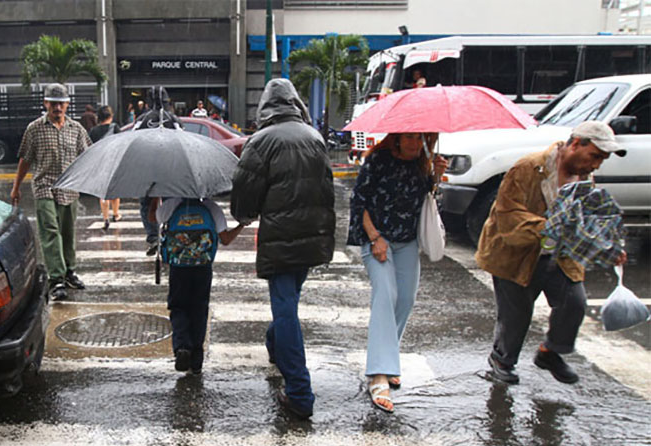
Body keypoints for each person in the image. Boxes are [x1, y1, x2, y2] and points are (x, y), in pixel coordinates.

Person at [477, 121, 628, 386]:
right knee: (516, 315)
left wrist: (607, 246)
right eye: (595, 156)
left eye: (602, 159)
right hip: (515, 253)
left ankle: (551, 352)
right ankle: (502, 361)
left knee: (574, 301)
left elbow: (586, 218)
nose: (596, 164)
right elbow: (508, 214)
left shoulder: (584, 178)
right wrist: (552, 228)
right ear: (575, 144)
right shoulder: (528, 168)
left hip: (558, 256)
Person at [231, 78, 336, 419]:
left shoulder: (261, 141)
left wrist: (244, 216)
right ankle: (275, 345)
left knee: (285, 310)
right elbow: (328, 189)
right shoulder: (315, 137)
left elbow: (243, 196)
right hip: (313, 236)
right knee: (289, 301)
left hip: (280, 238)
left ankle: (300, 394)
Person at [347, 133, 448, 413]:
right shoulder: (378, 160)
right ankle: (379, 374)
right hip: (377, 238)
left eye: (421, 138)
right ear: (397, 140)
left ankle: (388, 357)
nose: (416, 143)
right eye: (411, 138)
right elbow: (359, 201)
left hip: (407, 240)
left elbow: (425, 196)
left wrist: (436, 175)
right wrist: (374, 237)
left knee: (405, 299)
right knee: (385, 295)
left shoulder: (422, 161)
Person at [10, 83, 92, 301]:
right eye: (53, 103)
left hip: (69, 188)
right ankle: (56, 278)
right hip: (44, 187)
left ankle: (69, 271)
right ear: (46, 104)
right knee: (50, 231)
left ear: (67, 105)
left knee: (67, 231)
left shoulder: (76, 129)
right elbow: (25, 159)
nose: (57, 108)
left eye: (61, 104)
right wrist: (16, 187)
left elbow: (87, 157)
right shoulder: (35, 128)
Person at [155, 198, 247, 374]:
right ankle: (196, 360)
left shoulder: (172, 205)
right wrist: (241, 225)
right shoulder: (211, 207)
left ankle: (182, 346)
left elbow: (154, 217)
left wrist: (154, 198)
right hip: (203, 266)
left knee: (178, 307)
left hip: (178, 266)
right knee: (199, 308)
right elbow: (225, 239)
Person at [135, 85, 183, 255]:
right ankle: (171, 233)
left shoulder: (142, 120)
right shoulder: (174, 120)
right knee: (174, 203)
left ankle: (152, 236)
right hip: (172, 169)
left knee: (146, 204)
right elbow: (183, 142)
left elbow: (133, 143)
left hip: (147, 168)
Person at [89, 105, 122, 230]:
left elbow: (89, 147)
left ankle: (105, 217)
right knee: (114, 190)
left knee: (102, 191)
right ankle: (116, 214)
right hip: (113, 162)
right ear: (110, 116)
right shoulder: (115, 128)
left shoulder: (93, 131)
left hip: (99, 163)